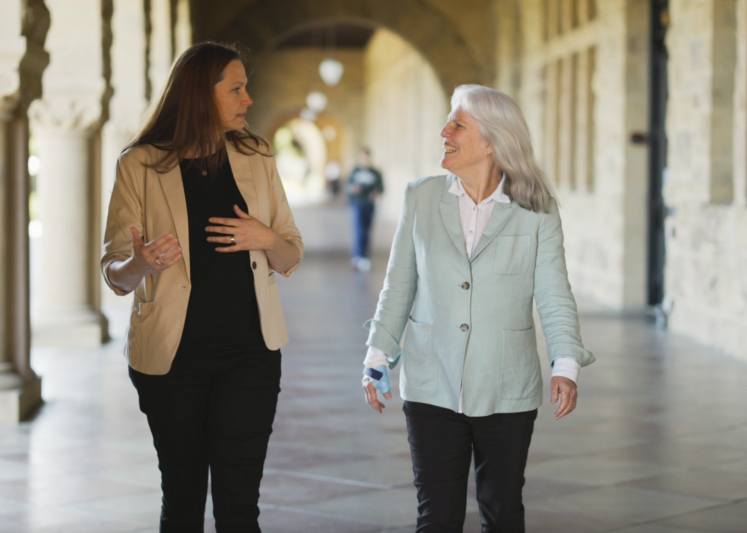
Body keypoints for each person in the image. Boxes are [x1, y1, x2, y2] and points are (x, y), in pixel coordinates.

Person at [361, 85, 595, 533]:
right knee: (437, 517)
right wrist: (377, 354)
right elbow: (399, 284)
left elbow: (553, 292)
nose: (444, 132)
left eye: (458, 125)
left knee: (503, 511)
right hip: (431, 382)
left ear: (491, 142)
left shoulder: (537, 209)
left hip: (507, 385)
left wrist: (566, 362)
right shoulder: (420, 197)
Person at [100, 42, 303, 533]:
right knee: (183, 502)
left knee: (239, 510)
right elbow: (114, 272)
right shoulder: (140, 165)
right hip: (171, 363)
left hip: (250, 358)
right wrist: (141, 263)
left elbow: (290, 255)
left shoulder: (258, 157)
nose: (248, 99)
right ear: (198, 94)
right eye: (236, 88)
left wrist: (265, 237)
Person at [347, 148, 384, 272]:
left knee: (367, 230)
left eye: (367, 157)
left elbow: (381, 188)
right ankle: (359, 256)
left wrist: (376, 194)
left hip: (370, 204)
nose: (365, 160)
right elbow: (348, 187)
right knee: (359, 230)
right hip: (358, 204)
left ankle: (364, 256)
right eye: (363, 157)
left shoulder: (375, 173)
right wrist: (353, 190)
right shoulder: (355, 172)